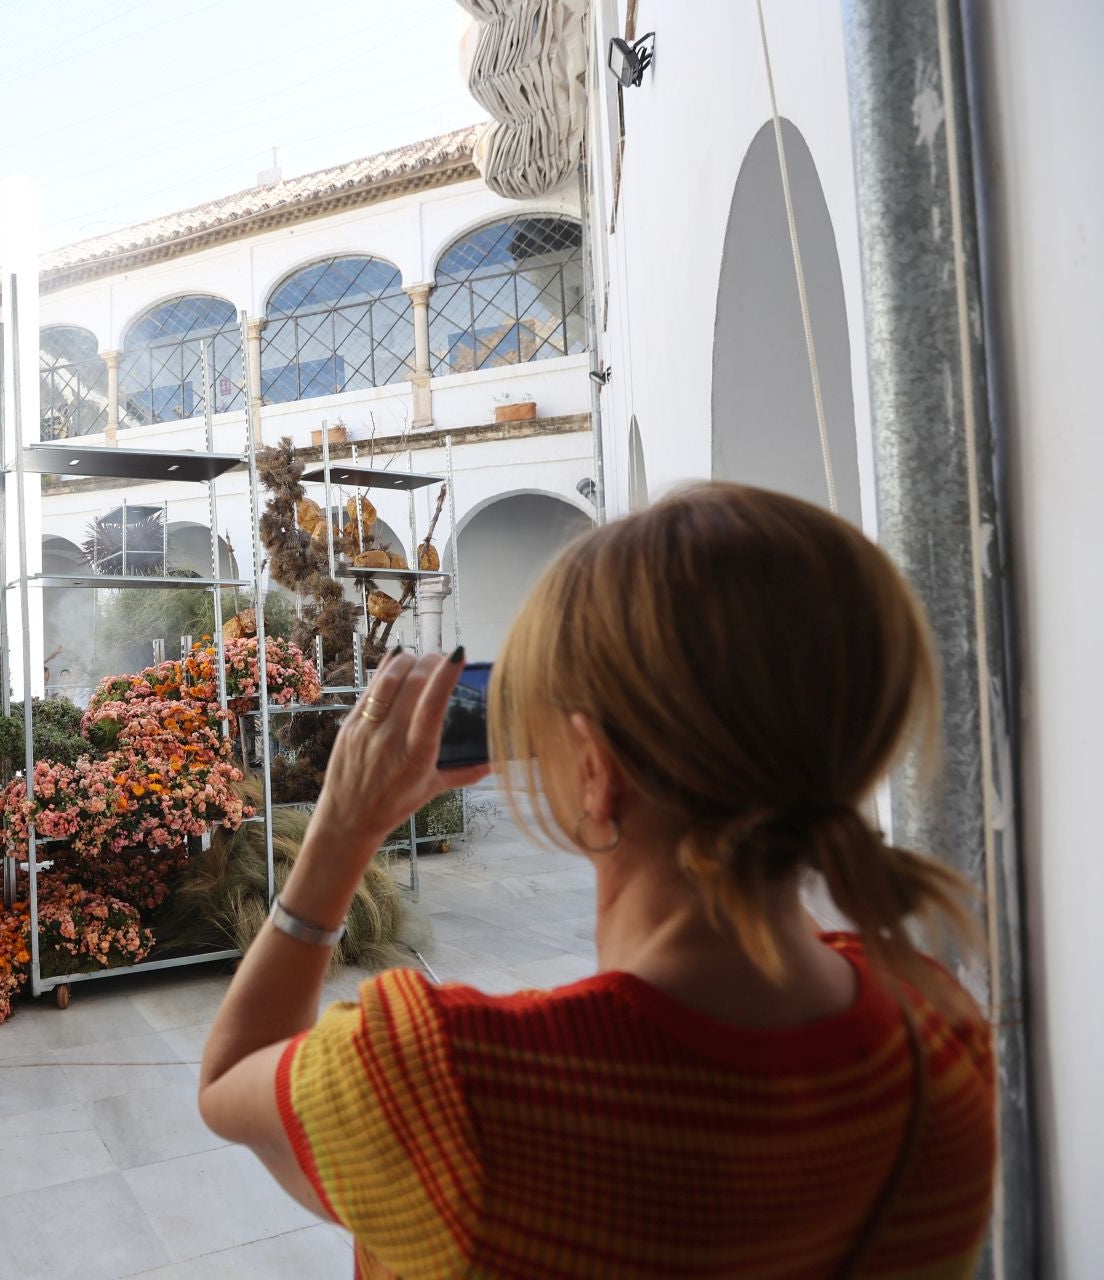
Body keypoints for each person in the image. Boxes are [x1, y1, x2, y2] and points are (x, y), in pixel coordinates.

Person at [198, 484, 995, 1278]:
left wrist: (342, 829)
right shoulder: (939, 1035)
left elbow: (232, 1079)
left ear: (596, 768)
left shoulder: (455, 1088)